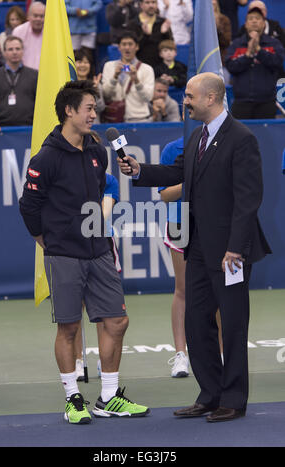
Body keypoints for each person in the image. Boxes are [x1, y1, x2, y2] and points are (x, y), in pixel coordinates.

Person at [118, 72, 271, 422]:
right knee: (196, 321)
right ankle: (210, 393)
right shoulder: (197, 138)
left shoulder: (242, 139)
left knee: (232, 324)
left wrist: (235, 248)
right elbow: (177, 173)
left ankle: (233, 398)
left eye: (189, 96)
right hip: (198, 247)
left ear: (211, 98)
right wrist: (140, 171)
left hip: (230, 252)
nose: (184, 100)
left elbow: (249, 201)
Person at [19, 80, 149, 424]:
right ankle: (72, 398)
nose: (95, 114)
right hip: (64, 254)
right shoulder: (45, 158)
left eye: (95, 108)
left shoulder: (96, 150)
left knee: (117, 321)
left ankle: (108, 397)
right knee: (69, 328)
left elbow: (100, 193)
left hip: (100, 249)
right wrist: (45, 241)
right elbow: (29, 205)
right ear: (69, 111)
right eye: (89, 108)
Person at [158, 136, 223, 378]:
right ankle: (181, 356)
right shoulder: (171, 148)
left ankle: (220, 352)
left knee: (216, 289)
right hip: (181, 223)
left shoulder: (222, 142)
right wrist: (192, 183)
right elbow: (164, 195)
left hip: (212, 223)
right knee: (183, 289)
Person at [75, 171, 120, 381]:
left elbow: (101, 216)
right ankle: (77, 359)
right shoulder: (66, 175)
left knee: (106, 305)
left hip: (102, 243)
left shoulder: (108, 180)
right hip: (71, 246)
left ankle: (105, 358)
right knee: (75, 305)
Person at [225, 6, 285, 119]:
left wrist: (258, 50)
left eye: (257, 18)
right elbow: (230, 66)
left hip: (266, 102)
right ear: (246, 24)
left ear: (263, 23)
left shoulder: (274, 43)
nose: (254, 21)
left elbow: (277, 62)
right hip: (241, 103)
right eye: (250, 18)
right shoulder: (237, 44)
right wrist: (248, 55)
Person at [0, 36, 37, 137]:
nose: (14, 52)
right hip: (3, 129)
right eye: (10, 49)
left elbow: (42, 102)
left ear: (23, 51)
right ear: (4, 53)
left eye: (18, 49)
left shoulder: (35, 75)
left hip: (30, 128)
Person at [102, 31, 154, 123]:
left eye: (130, 44)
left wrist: (137, 81)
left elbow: (148, 98)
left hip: (139, 120)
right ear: (119, 47)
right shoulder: (109, 66)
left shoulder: (147, 69)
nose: (127, 47)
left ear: (137, 47)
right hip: (115, 120)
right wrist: (114, 77)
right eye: (124, 44)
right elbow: (106, 95)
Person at [126, 0, 173, 69]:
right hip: (138, 66)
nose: (151, 5)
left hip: (159, 67)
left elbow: (170, 46)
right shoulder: (132, 24)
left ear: (157, 5)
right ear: (141, 5)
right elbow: (131, 49)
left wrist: (164, 33)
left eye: (153, 2)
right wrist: (145, 35)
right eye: (147, 2)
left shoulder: (163, 22)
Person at [74, 47, 105, 122]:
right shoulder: (69, 85)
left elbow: (101, 108)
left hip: (93, 127)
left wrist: (95, 90)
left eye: (86, 62)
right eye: (80, 62)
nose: (83, 65)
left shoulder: (95, 83)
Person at [12, 1, 45, 70]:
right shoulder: (18, 32)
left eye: (42, 16)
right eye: (35, 16)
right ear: (28, 16)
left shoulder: (52, 32)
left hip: (47, 74)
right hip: (23, 75)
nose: (38, 19)